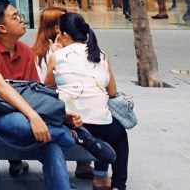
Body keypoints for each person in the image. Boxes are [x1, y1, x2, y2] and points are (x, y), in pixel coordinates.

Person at [0, 0, 116, 190]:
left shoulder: (25, 51)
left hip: (22, 117)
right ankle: (73, 136)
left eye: (20, 15)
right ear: (2, 28)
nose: (21, 19)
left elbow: (36, 93)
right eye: (15, 17)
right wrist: (34, 117)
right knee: (24, 124)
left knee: (50, 144)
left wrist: (63, 116)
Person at [45, 12, 129, 190]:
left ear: (65, 35)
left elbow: (47, 88)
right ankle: (118, 185)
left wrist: (56, 53)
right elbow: (112, 92)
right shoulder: (101, 55)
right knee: (120, 135)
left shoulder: (57, 56)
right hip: (101, 125)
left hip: (70, 123)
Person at [33, 6, 94, 181]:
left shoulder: (38, 51)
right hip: (53, 106)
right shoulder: (47, 54)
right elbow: (46, 86)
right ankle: (86, 165)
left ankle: (84, 163)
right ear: (56, 29)